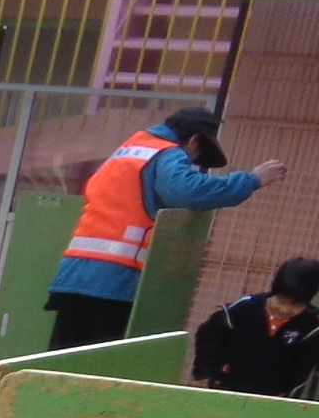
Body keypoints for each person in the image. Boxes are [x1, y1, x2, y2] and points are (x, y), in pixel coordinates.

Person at [46, 106, 285, 351]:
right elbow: (186, 191)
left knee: (61, 359)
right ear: (194, 141)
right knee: (106, 362)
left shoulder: (130, 149)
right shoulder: (167, 152)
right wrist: (251, 180)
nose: (189, 163)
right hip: (116, 281)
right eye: (194, 157)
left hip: (74, 275)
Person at [191, 256, 319, 397]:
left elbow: (305, 367)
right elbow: (209, 340)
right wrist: (205, 374)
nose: (284, 309)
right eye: (280, 301)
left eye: (296, 305)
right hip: (226, 388)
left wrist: (292, 396)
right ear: (273, 292)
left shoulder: (310, 326)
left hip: (274, 397)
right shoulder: (241, 310)